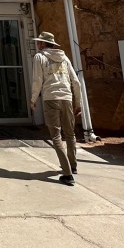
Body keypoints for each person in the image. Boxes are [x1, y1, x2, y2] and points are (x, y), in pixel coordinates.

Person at [28, 31, 81, 185]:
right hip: (67, 97)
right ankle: (73, 164)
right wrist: (78, 103)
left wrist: (33, 99)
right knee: (70, 133)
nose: (38, 44)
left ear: (43, 44)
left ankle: (67, 173)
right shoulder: (64, 57)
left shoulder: (40, 57)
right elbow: (75, 81)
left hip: (51, 98)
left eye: (39, 42)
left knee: (56, 135)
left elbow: (37, 79)